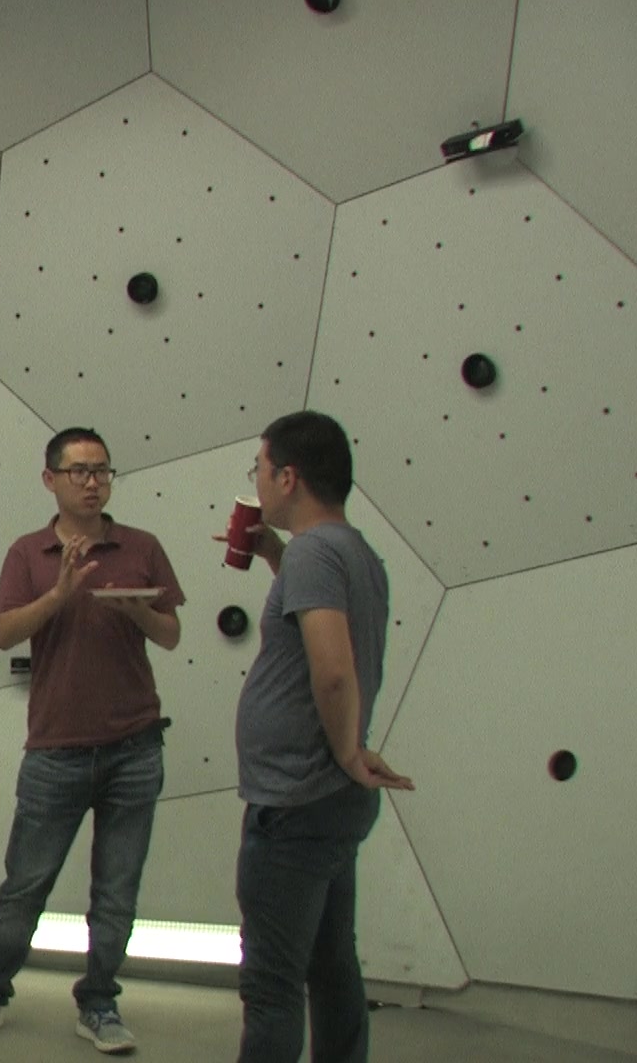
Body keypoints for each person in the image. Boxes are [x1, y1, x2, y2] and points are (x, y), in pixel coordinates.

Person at [0, 427, 185, 1056]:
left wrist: (138, 611)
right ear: (50, 479)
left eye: (101, 470)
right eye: (78, 471)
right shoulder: (28, 552)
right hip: (56, 750)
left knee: (117, 891)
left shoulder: (142, 547)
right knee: (25, 885)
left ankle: (99, 1002)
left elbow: (171, 634)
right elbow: (4, 633)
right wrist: (59, 593)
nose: (92, 482)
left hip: (135, 747)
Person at [227, 411, 414, 1063]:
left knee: (272, 983)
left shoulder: (314, 552)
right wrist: (275, 557)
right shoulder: (351, 553)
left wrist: (347, 751)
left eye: (259, 468)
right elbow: (328, 633)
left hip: (296, 800)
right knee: (331, 963)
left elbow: (333, 672)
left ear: (288, 477)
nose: (256, 482)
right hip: (329, 798)